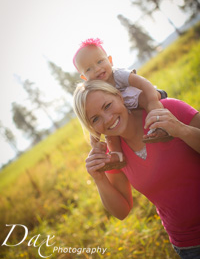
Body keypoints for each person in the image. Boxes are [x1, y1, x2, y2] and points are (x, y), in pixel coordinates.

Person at [73, 80, 200, 259]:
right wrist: (99, 178)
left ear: (119, 96)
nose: (107, 118)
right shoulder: (115, 156)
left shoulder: (167, 110)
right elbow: (122, 211)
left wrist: (181, 130)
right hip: (189, 246)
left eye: (108, 106)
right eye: (95, 119)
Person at [73, 38, 172, 171]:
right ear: (84, 78)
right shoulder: (95, 88)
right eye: (89, 69)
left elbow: (143, 84)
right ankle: (117, 155)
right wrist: (95, 144)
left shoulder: (118, 74)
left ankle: (160, 126)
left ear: (110, 60)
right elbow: (96, 118)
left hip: (139, 96)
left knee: (145, 100)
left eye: (100, 61)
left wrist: (153, 100)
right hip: (119, 109)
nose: (97, 69)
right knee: (109, 131)